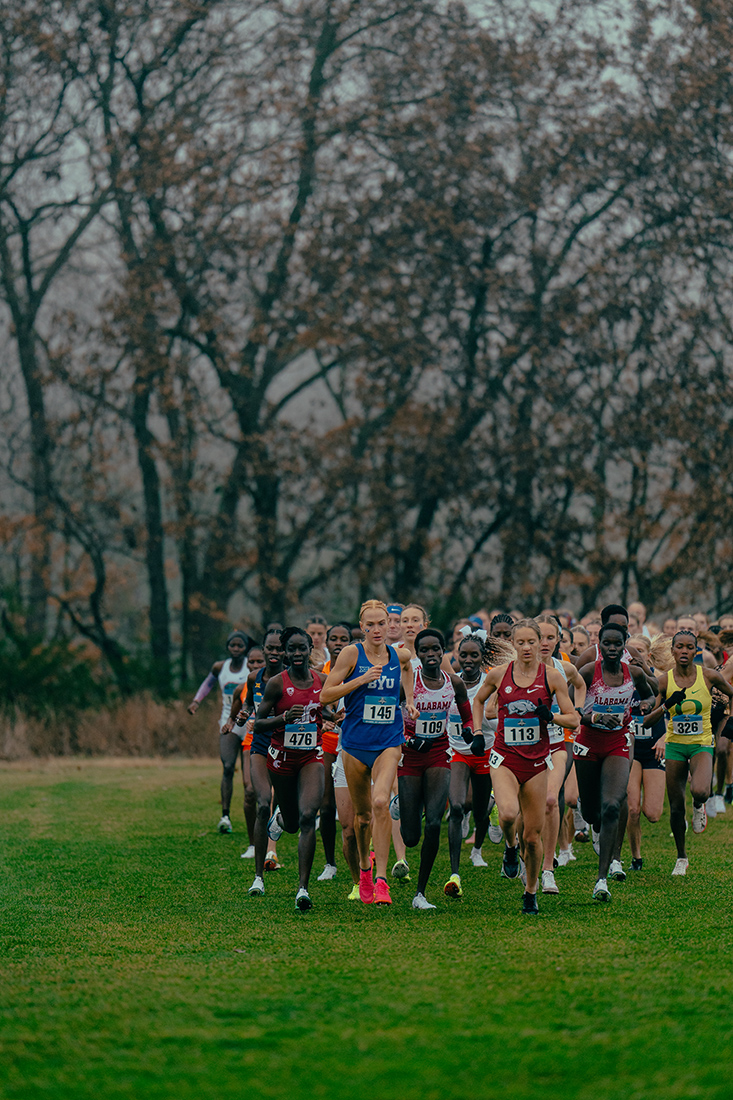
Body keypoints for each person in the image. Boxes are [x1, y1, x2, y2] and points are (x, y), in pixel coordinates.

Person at [472, 619, 579, 916]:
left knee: (533, 837)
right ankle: (509, 845)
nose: (527, 647)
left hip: (536, 762)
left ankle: (530, 891)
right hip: (505, 758)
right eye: (520, 642)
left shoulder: (553, 677)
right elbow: (478, 702)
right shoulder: (499, 674)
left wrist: (552, 717)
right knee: (507, 813)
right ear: (513, 645)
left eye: (532, 642)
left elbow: (573, 719)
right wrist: (479, 732)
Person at [320, 599, 416, 906]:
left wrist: (409, 699)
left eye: (382, 623)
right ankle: (364, 870)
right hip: (355, 744)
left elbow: (407, 663)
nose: (378, 629)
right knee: (361, 818)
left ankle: (382, 880)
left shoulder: (397, 653)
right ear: (362, 627)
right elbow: (325, 695)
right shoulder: (352, 654)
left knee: (380, 803)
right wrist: (360, 679)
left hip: (389, 740)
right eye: (371, 624)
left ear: (391, 625)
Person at [641, 629, 733, 876]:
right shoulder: (664, 681)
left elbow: (731, 693)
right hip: (675, 745)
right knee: (676, 807)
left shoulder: (710, 676)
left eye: (689, 647)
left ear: (696, 651)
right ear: (672, 650)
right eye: (679, 647)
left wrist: (730, 719)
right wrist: (667, 706)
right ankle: (681, 857)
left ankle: (700, 805)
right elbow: (647, 721)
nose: (684, 651)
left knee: (700, 790)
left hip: (701, 742)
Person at [395, 628, 473, 909]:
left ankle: (420, 893)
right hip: (410, 757)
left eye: (435, 649)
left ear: (443, 651)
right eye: (424, 650)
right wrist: (410, 740)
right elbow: (394, 718)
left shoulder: (454, 683)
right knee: (411, 837)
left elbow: (466, 717)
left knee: (435, 823)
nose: (431, 654)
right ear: (417, 654)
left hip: (439, 753)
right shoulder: (409, 682)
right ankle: (402, 804)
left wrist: (469, 735)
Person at [576, 623, 655, 900]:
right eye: (607, 644)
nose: (612, 649)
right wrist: (594, 718)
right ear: (600, 644)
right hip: (587, 742)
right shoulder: (588, 672)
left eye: (617, 644)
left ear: (624, 645)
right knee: (591, 813)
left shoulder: (633, 673)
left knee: (612, 804)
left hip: (618, 742)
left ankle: (601, 879)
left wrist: (645, 704)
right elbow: (572, 711)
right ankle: (595, 825)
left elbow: (649, 694)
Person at [254, 627, 328, 911]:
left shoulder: (322, 681)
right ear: (285, 652)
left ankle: (302, 889)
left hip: (311, 756)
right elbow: (258, 723)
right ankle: (279, 821)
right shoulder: (276, 683)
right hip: (281, 758)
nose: (297, 654)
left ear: (310, 649)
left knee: (309, 816)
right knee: (293, 822)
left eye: (302, 648)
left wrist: (335, 716)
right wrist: (283, 718)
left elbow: (323, 710)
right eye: (292, 649)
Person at [223, 630, 285, 895]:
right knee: (261, 801)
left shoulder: (291, 679)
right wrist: (241, 717)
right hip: (260, 744)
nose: (272, 653)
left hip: (286, 746)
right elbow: (247, 704)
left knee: (291, 816)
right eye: (268, 648)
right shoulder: (253, 679)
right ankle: (258, 876)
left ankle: (280, 820)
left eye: (277, 648)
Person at [536, 615, 586, 895]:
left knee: (551, 799)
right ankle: (517, 851)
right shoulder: (513, 670)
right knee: (518, 813)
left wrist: (575, 712)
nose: (544, 643)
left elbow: (580, 685)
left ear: (558, 640)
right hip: (523, 747)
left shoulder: (563, 668)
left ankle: (548, 868)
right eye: (538, 637)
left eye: (550, 637)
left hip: (557, 741)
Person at [187, 630, 252, 834]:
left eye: (240, 645)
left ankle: (257, 814)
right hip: (229, 723)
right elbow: (208, 683)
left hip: (251, 723)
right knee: (228, 766)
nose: (236, 649)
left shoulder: (252, 665)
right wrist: (197, 701)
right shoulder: (220, 667)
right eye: (232, 645)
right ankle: (225, 816)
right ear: (227, 647)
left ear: (246, 648)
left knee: (248, 777)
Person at [445, 628, 495, 889]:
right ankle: (455, 872)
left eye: (474, 655)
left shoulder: (491, 684)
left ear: (482, 657)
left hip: (486, 752)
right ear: (456, 656)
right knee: (455, 806)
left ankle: (477, 849)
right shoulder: (449, 682)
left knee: (480, 808)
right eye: (463, 655)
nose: (468, 660)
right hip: (457, 754)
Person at [314, 622, 352, 881]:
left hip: (355, 744)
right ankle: (330, 863)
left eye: (344, 639)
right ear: (326, 644)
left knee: (361, 807)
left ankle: (364, 858)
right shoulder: (317, 674)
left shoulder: (360, 669)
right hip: (327, 743)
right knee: (326, 806)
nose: (338, 643)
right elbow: (310, 706)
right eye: (334, 639)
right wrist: (323, 719)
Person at [625, 635, 666, 871]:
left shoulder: (658, 681)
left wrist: (664, 737)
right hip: (631, 749)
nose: (634, 656)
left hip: (654, 749)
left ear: (648, 655)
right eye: (630, 652)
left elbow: (672, 712)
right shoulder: (620, 681)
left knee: (652, 814)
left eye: (639, 651)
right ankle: (636, 857)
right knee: (633, 808)